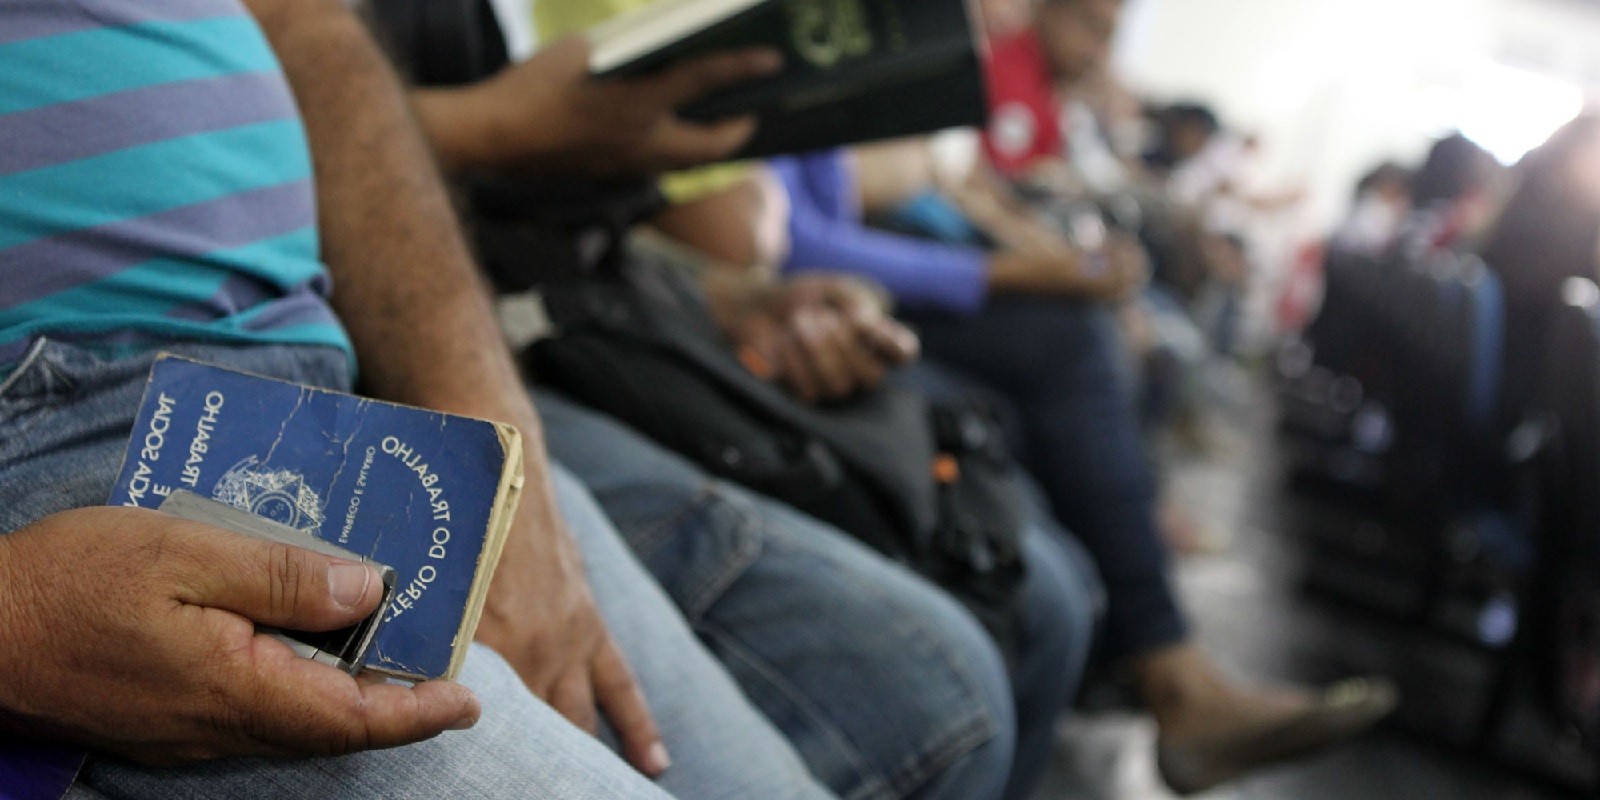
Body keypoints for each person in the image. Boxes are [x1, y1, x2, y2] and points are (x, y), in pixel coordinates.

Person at [0, 1, 926, 798]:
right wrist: (19, 619)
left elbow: (308, 29)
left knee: (931, 696)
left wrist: (490, 432)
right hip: (69, 437)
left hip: (337, 370)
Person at [371, 2, 1045, 798]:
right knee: (939, 691)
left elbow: (676, 233)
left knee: (1024, 590)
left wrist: (737, 298)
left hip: (599, 312)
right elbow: (740, 219)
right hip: (481, 351)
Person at [748, 0, 1398, 793]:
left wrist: (1030, 246)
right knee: (1070, 402)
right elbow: (786, 234)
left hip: (850, 282)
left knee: (1096, 373)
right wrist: (1010, 265)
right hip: (819, 298)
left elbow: (939, 182)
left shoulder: (902, 46)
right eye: (1091, 23)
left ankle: (1145, 604)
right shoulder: (874, 40)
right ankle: (1163, 652)